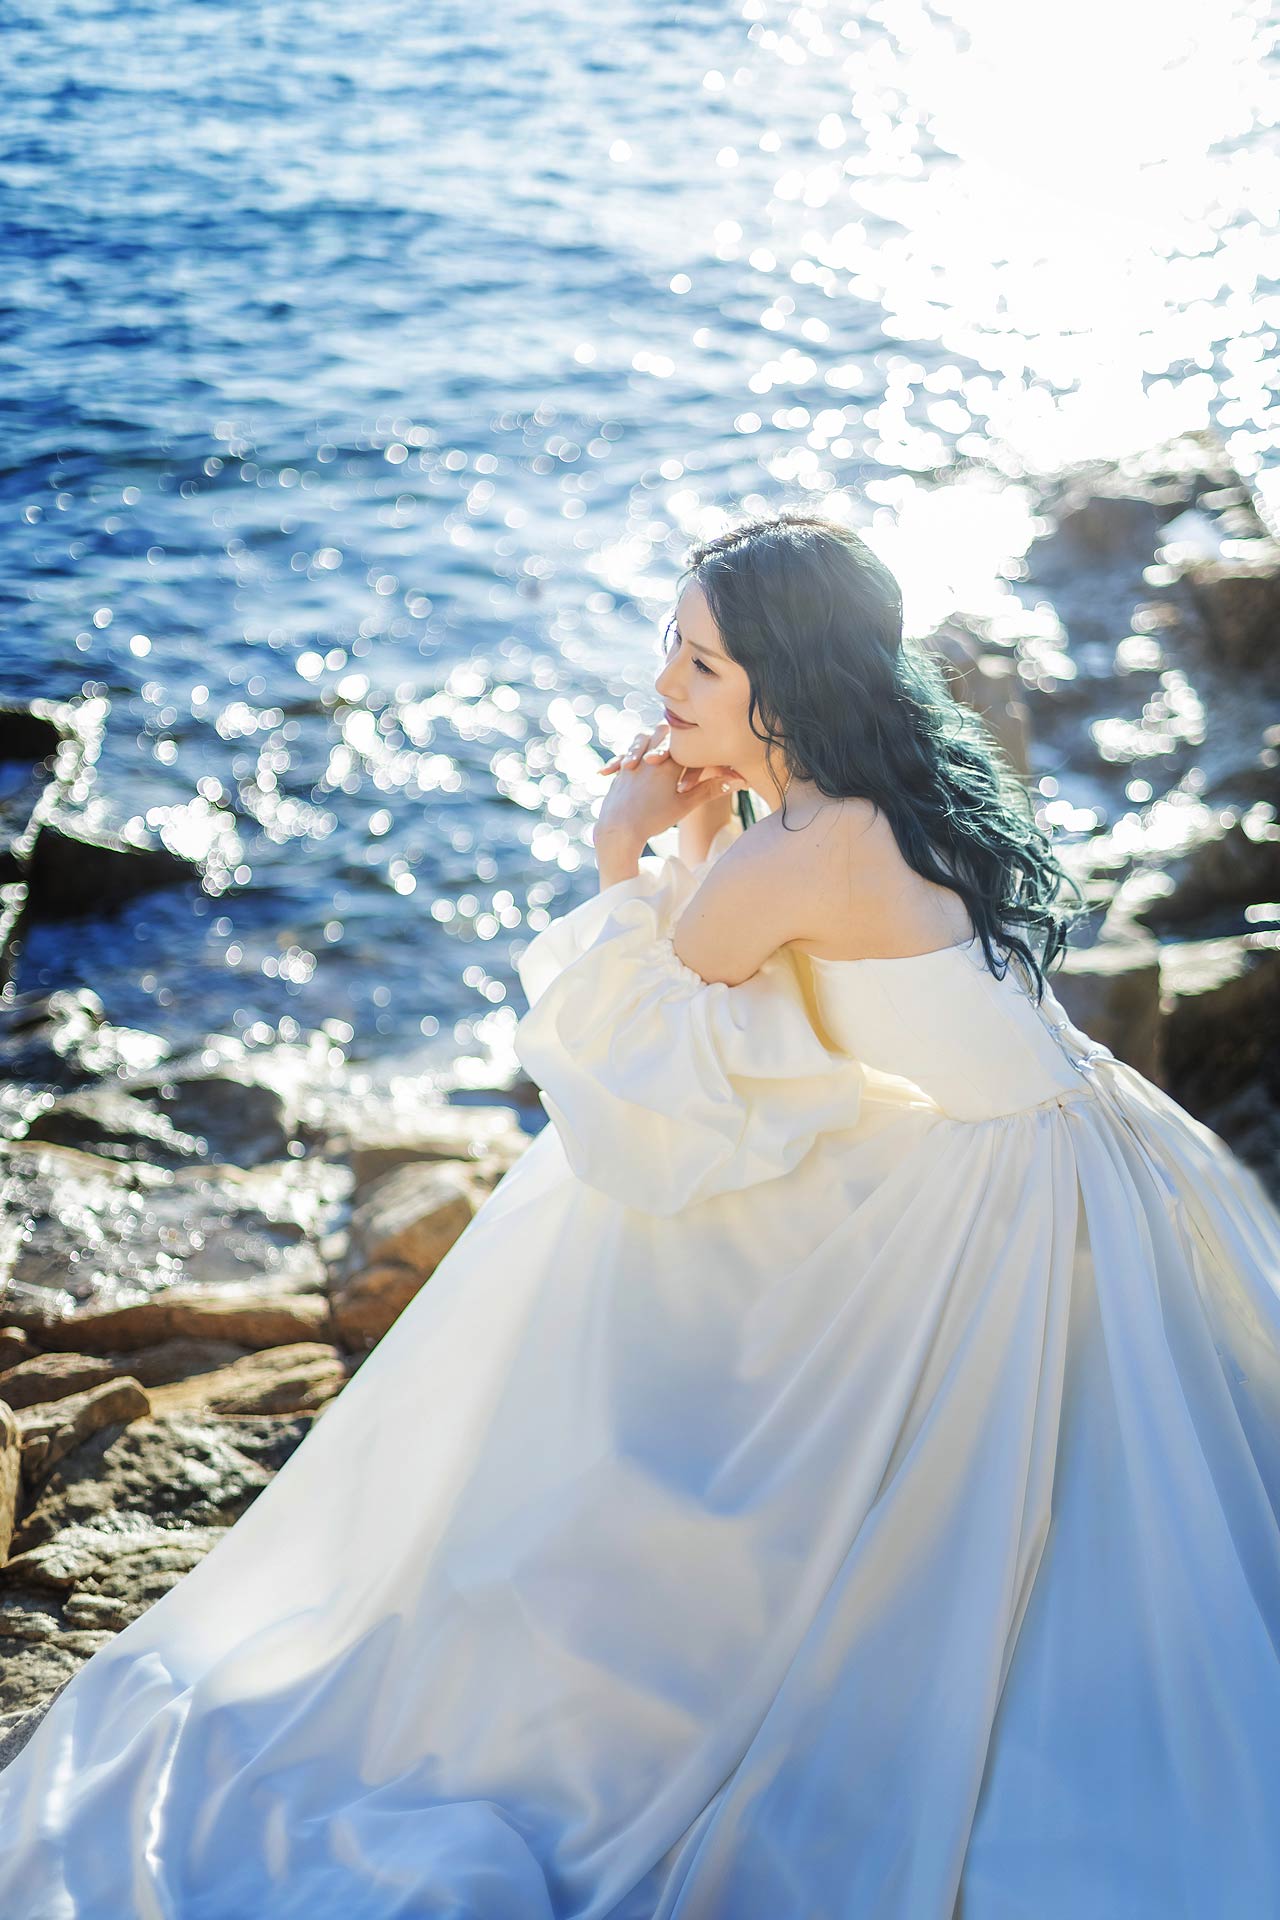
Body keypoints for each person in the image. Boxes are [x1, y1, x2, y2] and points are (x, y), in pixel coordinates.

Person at [1, 509, 1279, 1919]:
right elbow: (738, 979)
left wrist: (624, 849)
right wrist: (713, 824)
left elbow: (654, 1043)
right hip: (1076, 1139)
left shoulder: (803, 845)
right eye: (673, 642)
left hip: (994, 1198)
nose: (666, 680)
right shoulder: (887, 792)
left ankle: (593, 1551)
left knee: (601, 1208)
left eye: (704, 663)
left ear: (789, 683)